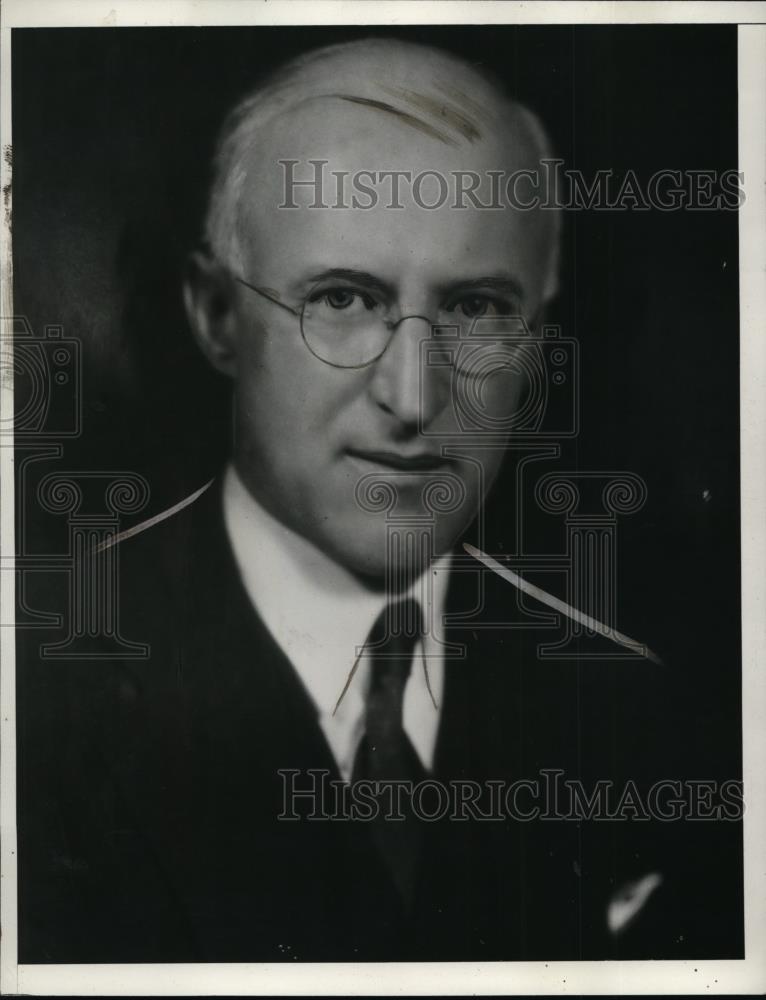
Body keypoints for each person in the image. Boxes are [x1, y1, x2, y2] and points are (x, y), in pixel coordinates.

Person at [17, 37, 742, 963]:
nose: (413, 395)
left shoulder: (642, 715)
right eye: (345, 299)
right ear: (214, 315)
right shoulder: (39, 680)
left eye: (478, 309)